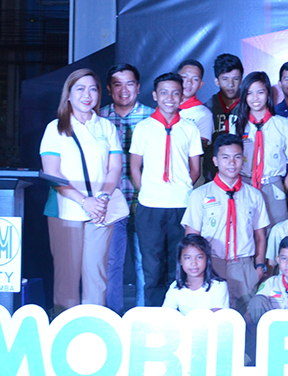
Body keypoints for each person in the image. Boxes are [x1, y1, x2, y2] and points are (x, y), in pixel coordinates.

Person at [40, 68, 127, 315]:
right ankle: (63, 335)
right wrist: (84, 201)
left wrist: (101, 199)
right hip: (65, 211)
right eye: (80, 88)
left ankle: (92, 332)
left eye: (93, 89)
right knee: (67, 279)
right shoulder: (55, 129)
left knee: (96, 275)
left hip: (101, 210)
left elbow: (114, 168)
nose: (87, 95)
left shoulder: (107, 127)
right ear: (68, 95)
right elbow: (52, 174)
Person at [130, 73, 203, 307]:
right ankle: (153, 316)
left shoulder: (189, 128)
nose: (169, 98)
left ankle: (177, 316)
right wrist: (150, 191)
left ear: (182, 96)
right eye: (164, 92)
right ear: (154, 95)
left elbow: (195, 169)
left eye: (175, 92)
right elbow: (134, 166)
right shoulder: (144, 127)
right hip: (150, 206)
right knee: (152, 267)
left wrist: (180, 189)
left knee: (178, 265)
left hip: (181, 205)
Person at [182, 133, 270, 313]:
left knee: (246, 318)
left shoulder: (254, 195)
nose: (232, 162)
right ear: (215, 161)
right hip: (212, 264)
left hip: (243, 266)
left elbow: (260, 235)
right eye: (225, 157)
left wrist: (259, 266)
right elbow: (191, 238)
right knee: (214, 318)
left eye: (237, 157)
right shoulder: (200, 195)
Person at [100, 63, 152, 312]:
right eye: (117, 84)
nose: (124, 90)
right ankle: (113, 318)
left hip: (145, 204)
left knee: (145, 267)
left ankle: (142, 320)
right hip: (109, 207)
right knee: (112, 266)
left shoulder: (153, 118)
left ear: (138, 87)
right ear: (109, 89)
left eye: (129, 84)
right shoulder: (97, 118)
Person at [230, 71, 288, 225]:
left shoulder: (282, 124)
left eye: (260, 92)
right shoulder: (237, 125)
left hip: (273, 187)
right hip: (245, 185)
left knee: (276, 234)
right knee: (246, 232)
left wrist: (282, 188)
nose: (255, 98)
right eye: (250, 93)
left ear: (268, 94)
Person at [161, 234, 229, 314]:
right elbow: (165, 316)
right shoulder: (175, 287)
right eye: (188, 258)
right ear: (180, 261)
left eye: (199, 257)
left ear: (207, 259)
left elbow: (216, 318)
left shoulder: (218, 286)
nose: (193, 263)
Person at [203, 54, 244, 181]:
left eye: (235, 79)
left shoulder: (249, 106)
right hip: (213, 175)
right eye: (225, 79)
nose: (230, 84)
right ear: (217, 81)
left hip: (245, 173)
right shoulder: (206, 110)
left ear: (241, 79)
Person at [177, 59, 215, 146]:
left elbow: (201, 148)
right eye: (184, 77)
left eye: (195, 79)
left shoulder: (203, 114)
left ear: (200, 85)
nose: (189, 82)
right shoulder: (165, 106)